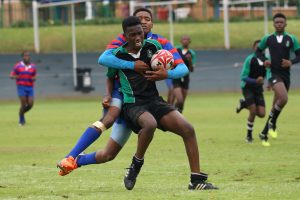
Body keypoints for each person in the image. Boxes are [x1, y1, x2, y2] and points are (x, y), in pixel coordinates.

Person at [56, 8, 188, 176]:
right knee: (109, 118)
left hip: (144, 101)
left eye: (147, 18)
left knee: (108, 154)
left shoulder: (159, 43)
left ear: (152, 23)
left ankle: (78, 161)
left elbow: (182, 68)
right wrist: (126, 72)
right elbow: (104, 59)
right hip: (122, 93)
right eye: (139, 18)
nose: (143, 21)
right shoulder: (124, 38)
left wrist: (166, 73)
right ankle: (70, 157)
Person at [107, 16, 218, 191]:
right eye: (132, 34)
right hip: (133, 104)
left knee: (188, 129)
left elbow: (177, 66)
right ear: (125, 36)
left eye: (140, 33)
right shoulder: (117, 54)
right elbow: (107, 72)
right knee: (149, 124)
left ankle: (195, 180)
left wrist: (165, 73)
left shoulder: (154, 47)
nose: (138, 37)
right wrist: (129, 68)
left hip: (154, 101)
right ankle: (136, 165)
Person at [256, 13, 300, 147]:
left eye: (282, 22)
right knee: (284, 98)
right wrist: (264, 61)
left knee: (279, 102)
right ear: (273, 24)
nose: (279, 24)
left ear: (285, 24)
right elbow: (258, 52)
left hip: (286, 75)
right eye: (277, 22)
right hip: (273, 74)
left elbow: (299, 55)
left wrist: (291, 62)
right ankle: (272, 123)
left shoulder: (291, 38)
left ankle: (264, 132)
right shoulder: (268, 38)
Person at [236, 40, 271, 143]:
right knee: (253, 110)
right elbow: (243, 77)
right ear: (253, 48)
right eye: (257, 47)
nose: (259, 48)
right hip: (247, 87)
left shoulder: (267, 61)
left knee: (262, 114)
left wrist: (270, 83)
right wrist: (255, 81)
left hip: (258, 89)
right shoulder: (250, 59)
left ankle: (244, 103)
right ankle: (249, 135)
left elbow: (269, 72)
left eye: (261, 47)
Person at [10, 51, 37, 126]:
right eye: (25, 56)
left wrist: (34, 78)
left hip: (30, 87)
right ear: (22, 57)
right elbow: (11, 75)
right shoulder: (17, 66)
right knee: (24, 104)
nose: (27, 57)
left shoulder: (33, 66)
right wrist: (15, 76)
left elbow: (34, 75)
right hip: (21, 87)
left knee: (30, 104)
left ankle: (21, 113)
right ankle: (21, 119)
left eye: (28, 55)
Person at [172, 35, 195, 113]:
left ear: (189, 41)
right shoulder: (176, 49)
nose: (185, 41)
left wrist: (190, 60)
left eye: (187, 39)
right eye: (183, 39)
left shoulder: (191, 53)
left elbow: (191, 70)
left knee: (182, 104)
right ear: (181, 41)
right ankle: (173, 112)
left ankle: (178, 114)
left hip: (185, 78)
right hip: (176, 77)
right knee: (180, 100)